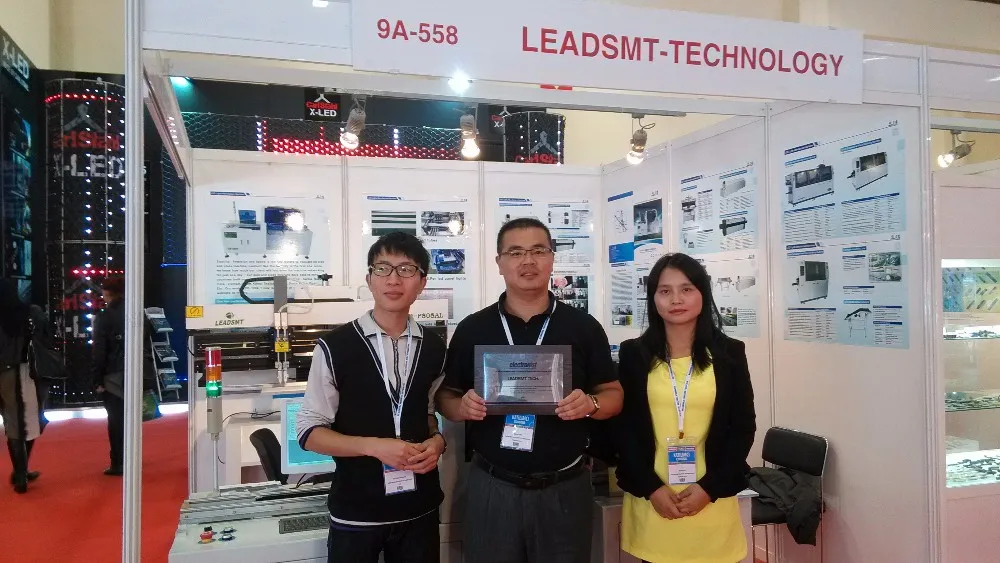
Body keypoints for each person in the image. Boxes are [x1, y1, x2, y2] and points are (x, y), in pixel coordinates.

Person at [436, 217, 623, 563]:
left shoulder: (583, 327)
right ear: (499, 262)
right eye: (515, 252)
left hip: (565, 487)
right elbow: (445, 396)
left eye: (538, 251)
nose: (528, 261)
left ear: (552, 258)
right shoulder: (473, 328)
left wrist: (591, 404)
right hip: (493, 486)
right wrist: (461, 407)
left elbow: (613, 394)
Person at [297, 232, 447, 563]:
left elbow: (426, 413)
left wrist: (437, 441)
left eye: (406, 269)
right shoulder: (336, 346)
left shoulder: (435, 347)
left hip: (419, 509)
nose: (393, 279)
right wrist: (374, 447)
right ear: (369, 279)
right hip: (357, 513)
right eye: (383, 268)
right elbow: (309, 432)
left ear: (422, 283)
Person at [614, 253, 756, 563]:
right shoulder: (634, 355)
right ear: (653, 299)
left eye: (686, 289)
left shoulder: (729, 353)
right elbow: (624, 430)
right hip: (654, 500)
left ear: (703, 294)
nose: (676, 299)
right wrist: (652, 488)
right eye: (665, 291)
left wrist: (709, 488)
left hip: (711, 500)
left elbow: (742, 427)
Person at [0, 279, 48, 493]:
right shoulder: (30, 312)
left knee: (14, 421)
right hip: (26, 371)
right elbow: (45, 335)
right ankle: (21, 471)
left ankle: (21, 472)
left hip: (6, 372)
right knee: (32, 420)